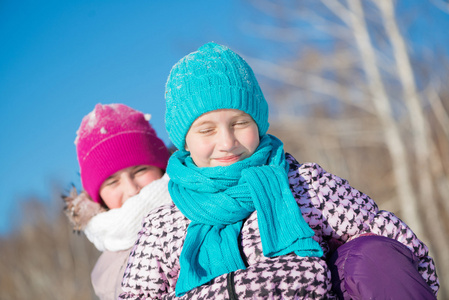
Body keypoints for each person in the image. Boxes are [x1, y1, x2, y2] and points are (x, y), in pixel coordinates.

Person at [119, 43, 439, 299]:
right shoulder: (164, 224)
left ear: (258, 123)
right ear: (184, 140)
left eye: (239, 123)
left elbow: (388, 239)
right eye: (207, 130)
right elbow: (137, 293)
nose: (227, 142)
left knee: (371, 254)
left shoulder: (302, 186)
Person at [63, 103, 171, 300]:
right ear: (98, 198)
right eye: (113, 182)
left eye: (140, 171)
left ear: (162, 167)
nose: (132, 190)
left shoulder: (200, 211)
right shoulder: (102, 273)